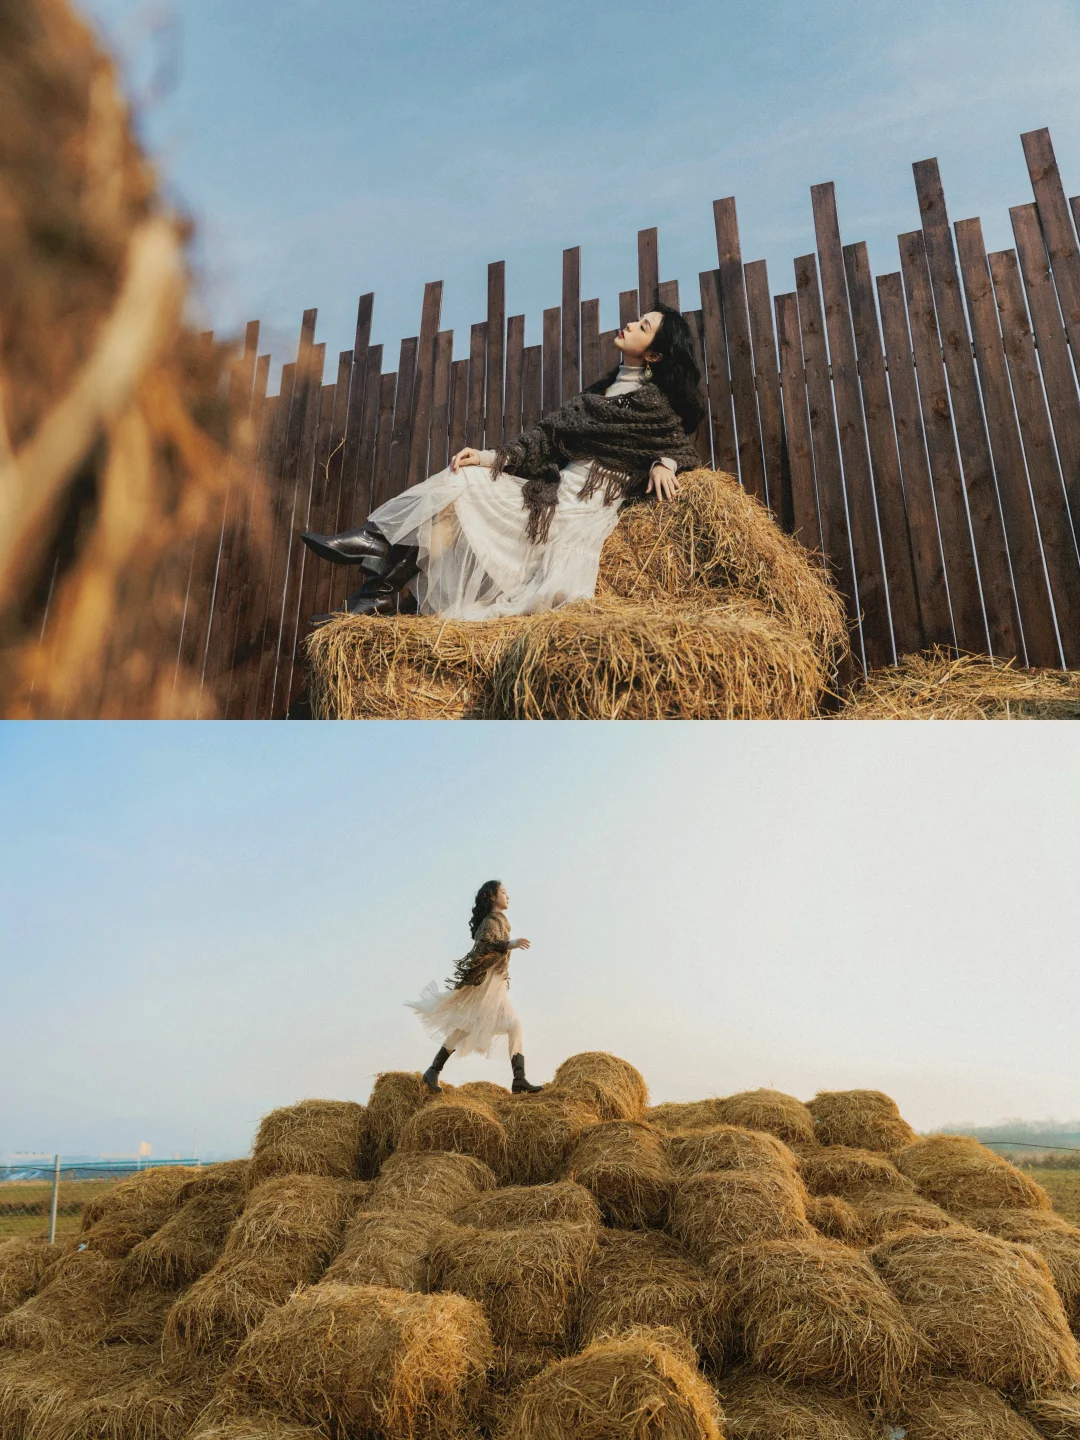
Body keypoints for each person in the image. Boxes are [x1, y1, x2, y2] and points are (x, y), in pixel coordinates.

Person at [302, 303, 704, 621]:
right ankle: (377, 582)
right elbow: (545, 439)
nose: (630, 325)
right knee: (463, 479)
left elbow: (680, 448)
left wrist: (663, 462)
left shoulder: (653, 404)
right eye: (637, 319)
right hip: (553, 493)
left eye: (644, 326)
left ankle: (377, 577)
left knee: (461, 494)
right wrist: (489, 456)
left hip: (578, 513)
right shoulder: (600, 390)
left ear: (653, 353)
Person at [409, 879, 542, 1095]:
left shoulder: (501, 921)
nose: (508, 896)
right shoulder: (490, 922)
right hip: (486, 984)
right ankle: (433, 1070)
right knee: (467, 1025)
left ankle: (519, 1080)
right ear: (492, 896)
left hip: (497, 984)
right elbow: (483, 946)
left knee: (511, 1025)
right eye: (504, 892)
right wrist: (510, 944)